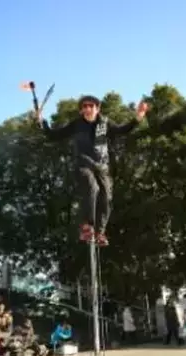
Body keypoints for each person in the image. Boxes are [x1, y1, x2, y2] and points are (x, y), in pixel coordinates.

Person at [36, 96, 148, 246]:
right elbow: (53, 135)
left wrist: (138, 117)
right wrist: (41, 122)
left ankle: (100, 232)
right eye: (84, 107)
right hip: (83, 163)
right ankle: (87, 226)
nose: (88, 109)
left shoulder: (105, 123)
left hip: (102, 165)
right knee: (91, 187)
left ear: (97, 108)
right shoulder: (76, 124)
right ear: (81, 110)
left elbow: (122, 130)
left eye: (91, 106)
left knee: (106, 197)